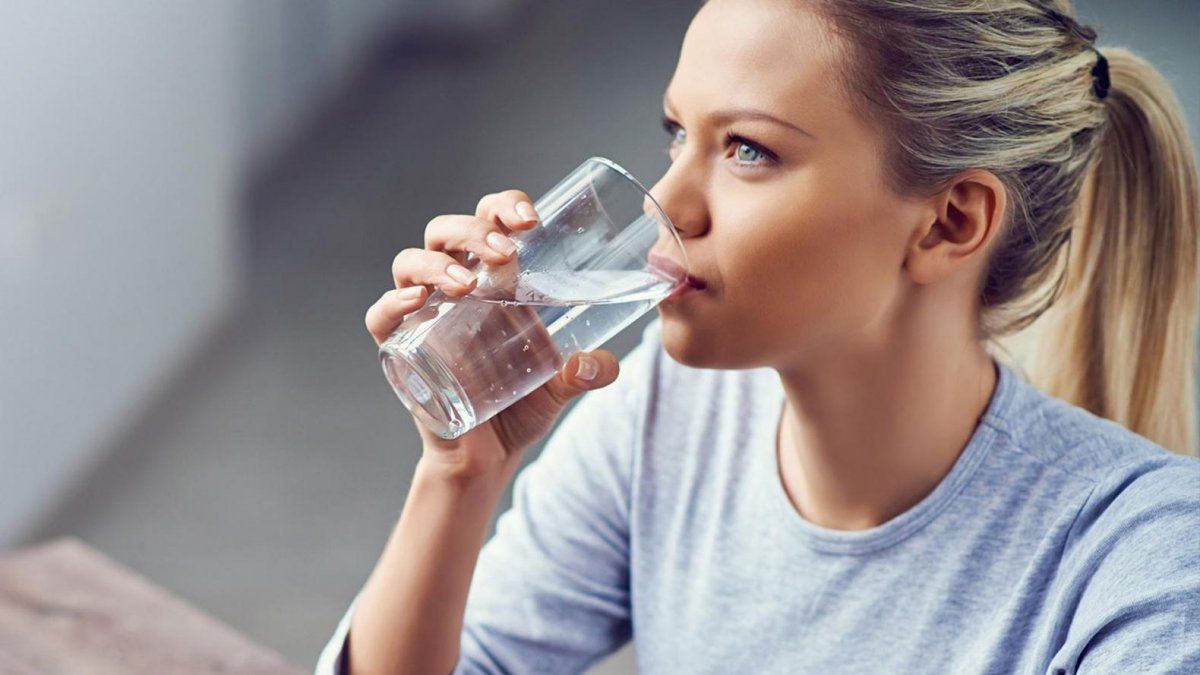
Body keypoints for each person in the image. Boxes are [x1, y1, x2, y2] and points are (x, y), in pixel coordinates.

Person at [318, 0, 1200, 672]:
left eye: (748, 149)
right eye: (678, 135)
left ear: (949, 223)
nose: (670, 206)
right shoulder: (668, 413)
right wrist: (460, 474)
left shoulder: (1148, 562)